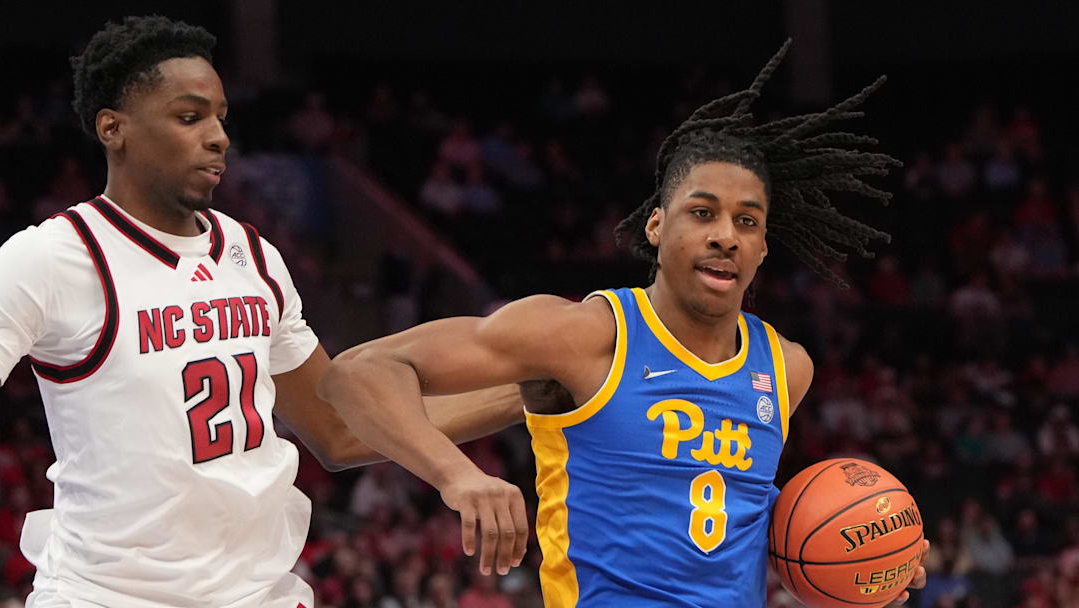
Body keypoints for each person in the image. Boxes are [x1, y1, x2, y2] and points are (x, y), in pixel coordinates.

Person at [319, 42, 928, 607]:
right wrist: (458, 476)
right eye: (702, 212)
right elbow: (358, 372)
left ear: (764, 246)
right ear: (656, 226)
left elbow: (726, 524)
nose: (725, 235)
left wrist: (868, 560)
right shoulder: (585, 336)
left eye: (747, 221)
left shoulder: (786, 367)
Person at [0, 16, 527, 607]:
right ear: (112, 128)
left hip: (257, 593)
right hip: (106, 595)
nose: (219, 137)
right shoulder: (51, 257)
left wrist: (527, 398)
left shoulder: (252, 254)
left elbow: (339, 428)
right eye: (190, 117)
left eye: (221, 117)